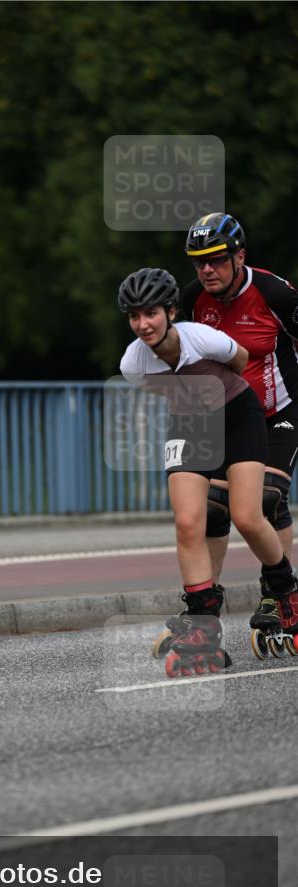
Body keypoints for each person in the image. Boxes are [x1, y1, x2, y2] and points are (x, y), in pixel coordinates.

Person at [118, 267, 298, 675]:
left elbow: (238, 360)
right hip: (190, 423)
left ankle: (287, 590)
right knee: (188, 522)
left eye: (151, 313)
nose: (143, 324)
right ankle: (202, 628)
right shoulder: (133, 361)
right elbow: (157, 388)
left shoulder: (202, 337)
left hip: (238, 415)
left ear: (170, 311)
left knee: (249, 516)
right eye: (134, 316)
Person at [181, 212, 298, 627]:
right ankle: (205, 606)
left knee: (265, 501)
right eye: (199, 262)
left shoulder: (275, 293)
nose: (207, 269)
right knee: (213, 509)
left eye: (216, 259)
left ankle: (278, 594)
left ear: (240, 256)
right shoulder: (194, 299)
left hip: (281, 410)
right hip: (230, 416)